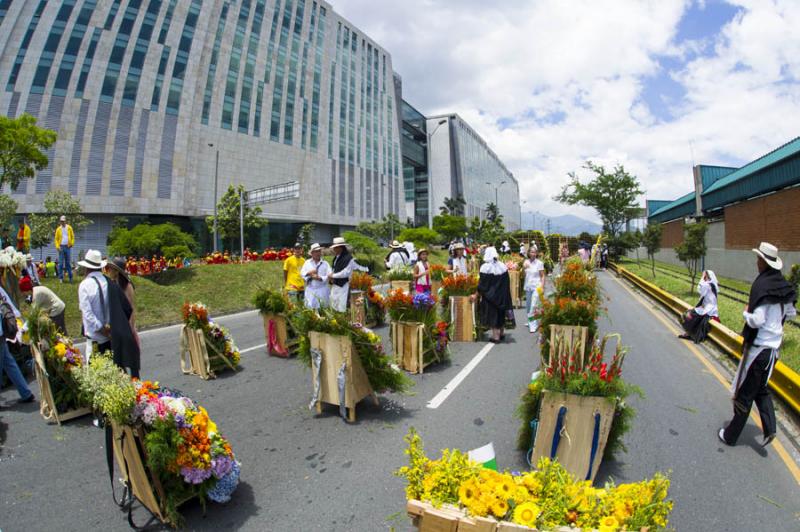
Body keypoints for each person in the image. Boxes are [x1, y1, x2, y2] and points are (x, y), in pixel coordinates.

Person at [720, 243, 796, 447]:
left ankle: (730, 436)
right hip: (772, 352)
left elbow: (757, 321)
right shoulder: (782, 286)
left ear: (764, 262)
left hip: (759, 350)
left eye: (758, 259)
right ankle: (770, 429)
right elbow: (790, 313)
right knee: (760, 389)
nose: (757, 262)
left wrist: (746, 312)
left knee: (744, 394)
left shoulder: (762, 286)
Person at [105, 257, 140, 378]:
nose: (108, 270)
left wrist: (130, 327)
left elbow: (131, 308)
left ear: (116, 270)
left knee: (132, 360)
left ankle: (136, 384)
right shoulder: (113, 284)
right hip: (118, 325)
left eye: (111, 268)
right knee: (120, 360)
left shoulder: (127, 285)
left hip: (127, 325)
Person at [0, 284, 34, 405]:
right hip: (2, 333)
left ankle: (25, 393)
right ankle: (25, 392)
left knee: (8, 363)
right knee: (9, 364)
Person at [473, 246, 512, 343]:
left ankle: (496, 337)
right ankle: (501, 333)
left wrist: (476, 294)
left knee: (493, 315)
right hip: (502, 296)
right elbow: (507, 283)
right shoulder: (502, 266)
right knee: (501, 313)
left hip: (490, 297)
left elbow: (482, 285)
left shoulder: (485, 267)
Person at [77, 250, 111, 356]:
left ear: (87, 268)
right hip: (110, 336)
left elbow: (87, 313)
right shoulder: (108, 281)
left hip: (95, 338)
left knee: (94, 369)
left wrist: (100, 328)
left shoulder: (85, 285)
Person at [328, 237, 368, 312]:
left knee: (342, 304)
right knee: (334, 302)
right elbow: (334, 269)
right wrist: (331, 277)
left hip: (343, 285)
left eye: (336, 248)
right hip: (335, 284)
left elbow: (345, 273)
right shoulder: (336, 258)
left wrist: (333, 276)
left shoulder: (349, 258)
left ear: (341, 248)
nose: (334, 249)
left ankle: (343, 319)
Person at [679, 270, 719, 343]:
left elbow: (699, 290)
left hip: (708, 309)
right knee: (693, 314)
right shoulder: (712, 284)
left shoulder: (707, 284)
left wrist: (701, 278)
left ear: (706, 276)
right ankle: (689, 333)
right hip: (710, 308)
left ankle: (688, 333)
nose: (703, 276)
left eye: (704, 275)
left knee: (688, 315)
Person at [301, 243, 331, 309]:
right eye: (315, 251)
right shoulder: (307, 262)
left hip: (322, 290)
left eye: (319, 251)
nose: (318, 253)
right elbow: (302, 273)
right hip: (310, 290)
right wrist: (310, 273)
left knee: (323, 309)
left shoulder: (325, 264)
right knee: (310, 310)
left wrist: (320, 278)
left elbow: (330, 275)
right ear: (312, 253)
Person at [523, 247, 546, 333]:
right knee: (528, 306)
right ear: (528, 253)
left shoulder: (539, 263)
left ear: (536, 253)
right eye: (531, 252)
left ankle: (533, 325)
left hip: (537, 286)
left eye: (534, 252)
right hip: (528, 286)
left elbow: (543, 275)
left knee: (533, 305)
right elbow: (523, 275)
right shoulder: (526, 262)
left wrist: (542, 287)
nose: (533, 254)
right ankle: (531, 320)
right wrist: (523, 268)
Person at [54, 216, 75, 283]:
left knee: (68, 263)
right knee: (60, 263)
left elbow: (72, 237)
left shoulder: (69, 228)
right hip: (61, 247)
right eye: (61, 221)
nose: (62, 222)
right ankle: (60, 278)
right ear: (60, 221)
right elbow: (56, 239)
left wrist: (72, 243)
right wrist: (57, 247)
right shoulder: (58, 229)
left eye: (63, 221)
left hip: (68, 247)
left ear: (65, 221)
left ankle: (70, 278)